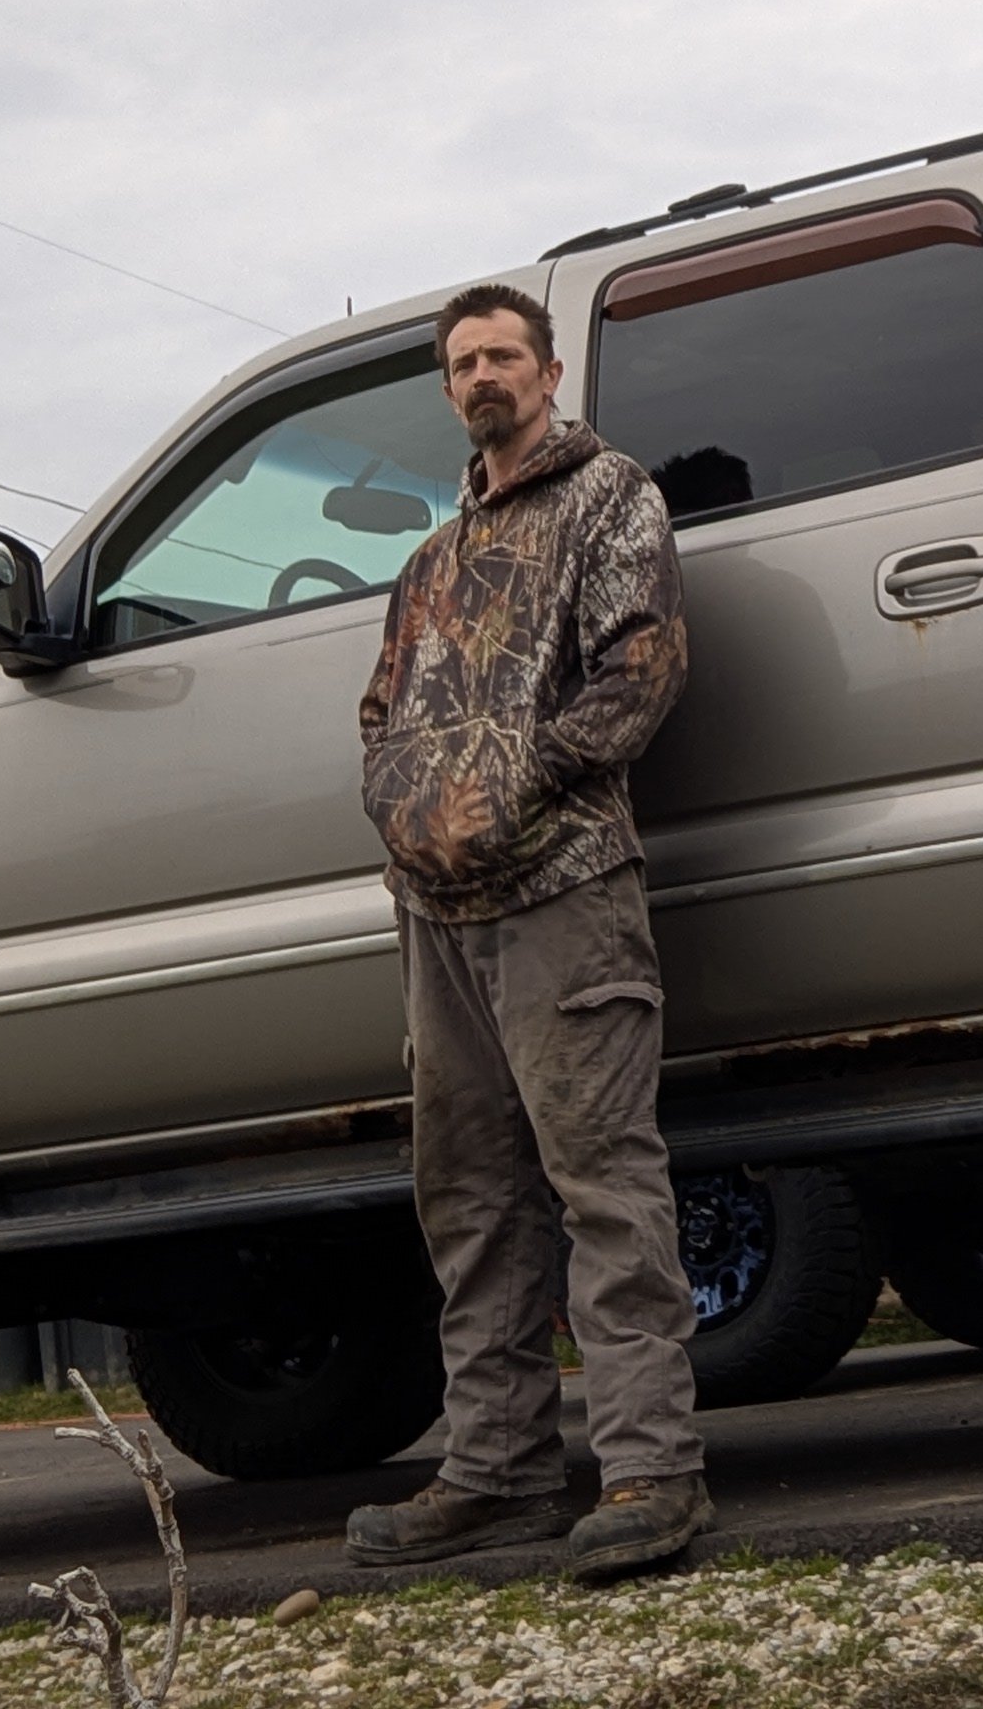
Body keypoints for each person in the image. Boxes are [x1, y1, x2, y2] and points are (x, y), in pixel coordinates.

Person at [343, 282, 710, 1583]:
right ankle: (498, 1473)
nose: (483, 376)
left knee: (601, 1178)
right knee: (471, 1197)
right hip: (438, 914)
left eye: (504, 354)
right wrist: (406, 815)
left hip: (566, 888)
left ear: (549, 373)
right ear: (450, 391)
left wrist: (515, 790)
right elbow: (382, 714)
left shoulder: (610, 500)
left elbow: (642, 670)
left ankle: (651, 1471)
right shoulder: (431, 562)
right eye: (464, 363)